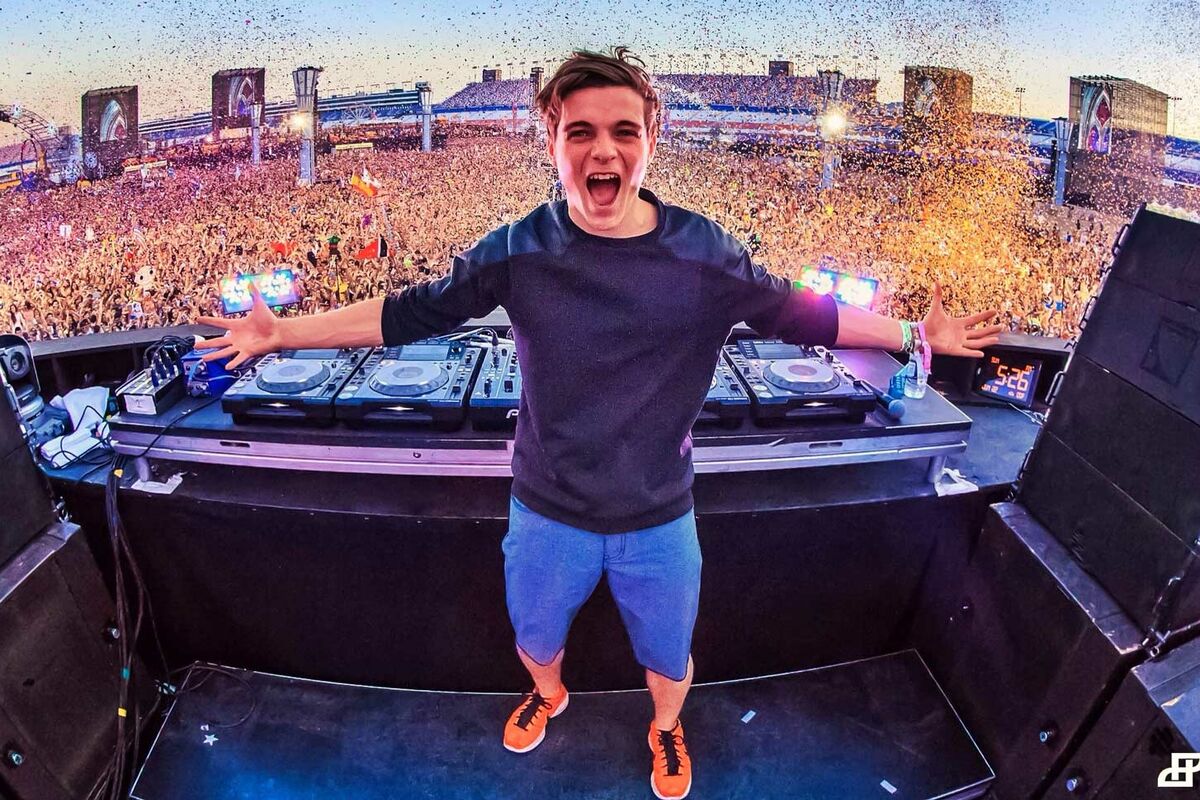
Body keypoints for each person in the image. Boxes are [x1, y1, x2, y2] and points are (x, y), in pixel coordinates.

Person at [195, 47, 1002, 800]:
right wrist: (283, 333)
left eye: (623, 131)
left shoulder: (704, 253)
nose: (602, 150)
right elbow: (409, 314)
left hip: (661, 515)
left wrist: (909, 334)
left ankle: (666, 728)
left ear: (652, 140)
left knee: (668, 655)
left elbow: (806, 315)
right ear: (552, 141)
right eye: (580, 132)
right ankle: (548, 695)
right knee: (535, 638)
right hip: (546, 510)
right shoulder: (518, 250)